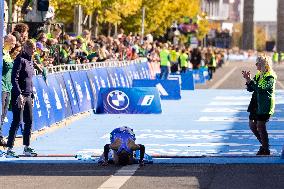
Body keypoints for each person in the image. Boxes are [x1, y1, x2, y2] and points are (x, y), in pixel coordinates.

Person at [6, 40, 37, 158]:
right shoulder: (20, 60)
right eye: (32, 48)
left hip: (28, 95)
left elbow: (30, 79)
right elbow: (14, 78)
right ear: (26, 47)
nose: (34, 50)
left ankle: (26, 147)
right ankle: (9, 149)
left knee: (29, 121)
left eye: (34, 48)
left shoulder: (30, 60)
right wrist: (19, 94)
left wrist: (32, 95)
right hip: (19, 96)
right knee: (17, 121)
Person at [242, 54, 277, 155]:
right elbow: (251, 89)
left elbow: (260, 89)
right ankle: (265, 145)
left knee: (260, 126)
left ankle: (265, 148)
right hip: (255, 104)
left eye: (258, 63)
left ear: (264, 65)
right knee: (252, 125)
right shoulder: (258, 74)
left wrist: (251, 83)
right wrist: (248, 79)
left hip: (265, 105)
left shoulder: (270, 76)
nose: (256, 65)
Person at [1, 34, 16, 147]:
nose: (14, 46)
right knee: (1, 112)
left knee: (4, 113)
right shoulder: (2, 52)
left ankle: (0, 135)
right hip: (1, 87)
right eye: (12, 43)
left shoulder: (8, 54)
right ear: (6, 41)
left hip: (8, 87)